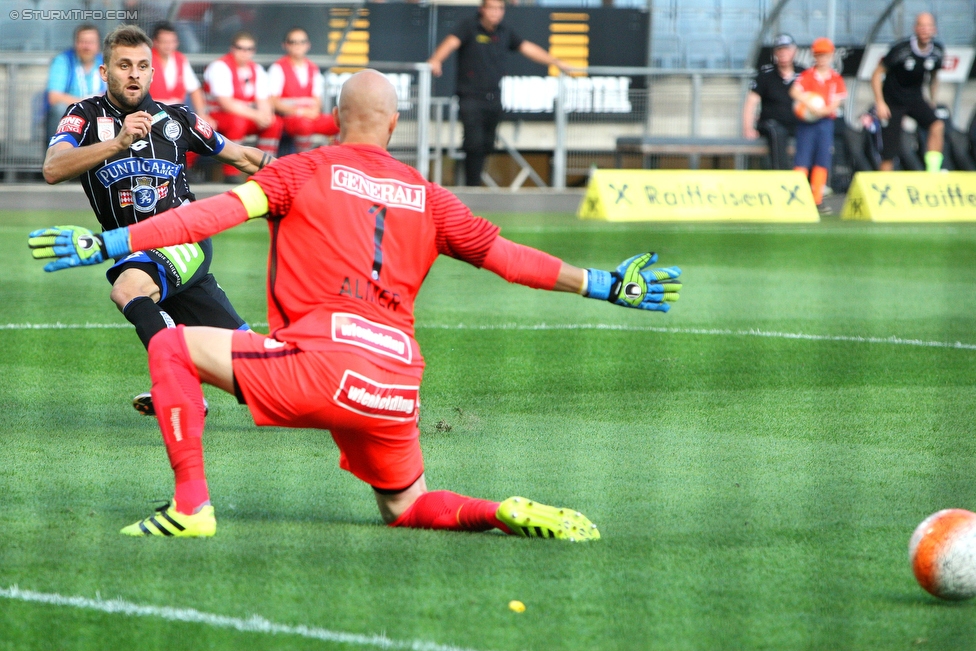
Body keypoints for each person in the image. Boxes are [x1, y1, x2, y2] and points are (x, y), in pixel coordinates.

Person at [29, 70, 682, 540]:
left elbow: (205, 216)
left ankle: (191, 507)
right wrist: (603, 283)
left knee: (170, 343)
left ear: (337, 121)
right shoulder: (430, 196)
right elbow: (507, 257)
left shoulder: (298, 171)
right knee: (405, 507)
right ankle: (499, 509)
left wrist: (107, 241)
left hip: (316, 367)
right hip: (395, 388)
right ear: (396, 125)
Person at [42, 25, 273, 415]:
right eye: (124, 65)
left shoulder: (177, 118)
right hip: (136, 251)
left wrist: (305, 178)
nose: (134, 74)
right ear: (105, 72)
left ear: (152, 73)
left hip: (185, 239)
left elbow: (242, 157)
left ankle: (180, 385)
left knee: (128, 289)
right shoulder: (82, 116)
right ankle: (350, 390)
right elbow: (52, 168)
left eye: (142, 66)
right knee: (259, 372)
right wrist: (116, 143)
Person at [427, 0, 572, 186]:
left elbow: (527, 48)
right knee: (474, 143)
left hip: (494, 97)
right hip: (470, 96)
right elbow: (450, 42)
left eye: (500, 8)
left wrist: (556, 62)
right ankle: (471, 186)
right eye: (492, 8)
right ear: (482, 9)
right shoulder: (469, 27)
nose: (496, 12)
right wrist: (436, 59)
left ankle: (472, 178)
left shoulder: (505, 31)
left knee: (487, 144)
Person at [871, 12, 945, 172]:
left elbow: (934, 76)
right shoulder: (901, 49)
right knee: (890, 152)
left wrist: (932, 100)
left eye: (928, 27)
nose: (925, 30)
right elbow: (876, 75)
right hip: (893, 102)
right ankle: (882, 187)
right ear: (915, 28)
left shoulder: (937, 51)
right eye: (922, 26)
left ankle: (933, 172)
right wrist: (880, 102)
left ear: (934, 29)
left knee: (937, 125)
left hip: (915, 99)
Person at [204, 31, 283, 182]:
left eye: (249, 49)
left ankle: (266, 169)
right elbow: (226, 103)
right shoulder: (220, 66)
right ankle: (231, 172)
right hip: (219, 115)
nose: (244, 52)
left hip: (245, 115)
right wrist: (256, 115)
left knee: (274, 122)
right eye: (240, 48)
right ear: (232, 48)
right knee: (237, 122)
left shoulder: (256, 69)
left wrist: (265, 115)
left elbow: (263, 99)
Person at [790, 37, 846, 214]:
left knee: (822, 159)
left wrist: (824, 110)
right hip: (807, 123)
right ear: (814, 56)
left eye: (825, 55)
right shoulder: (807, 76)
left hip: (825, 122)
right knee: (802, 159)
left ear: (831, 56)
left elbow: (837, 102)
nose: (822, 58)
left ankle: (817, 199)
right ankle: (797, 197)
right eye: (819, 55)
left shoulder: (835, 78)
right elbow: (794, 92)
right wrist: (808, 103)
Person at [269, 27, 339, 153]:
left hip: (310, 116)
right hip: (289, 119)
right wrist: (301, 111)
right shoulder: (278, 68)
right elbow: (273, 102)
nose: (298, 46)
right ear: (285, 45)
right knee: (303, 125)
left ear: (308, 45)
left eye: (302, 42)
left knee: (340, 122)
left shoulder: (313, 68)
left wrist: (313, 110)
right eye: (293, 42)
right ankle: (304, 162)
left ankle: (337, 159)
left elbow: (317, 100)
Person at [742, 33, 804, 170]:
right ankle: (781, 176)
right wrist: (748, 128)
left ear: (794, 51)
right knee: (777, 132)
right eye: (780, 50)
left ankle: (818, 182)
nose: (783, 53)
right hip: (770, 123)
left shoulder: (803, 73)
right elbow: (751, 102)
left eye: (787, 49)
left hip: (796, 123)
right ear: (775, 53)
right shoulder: (765, 75)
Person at [46, 24, 107, 139]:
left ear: (98, 45)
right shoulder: (63, 60)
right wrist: (86, 104)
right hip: (72, 113)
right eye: (82, 42)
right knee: (58, 109)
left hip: (99, 114)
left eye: (91, 42)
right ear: (75, 43)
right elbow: (54, 97)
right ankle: (57, 152)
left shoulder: (105, 62)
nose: (86, 47)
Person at [150, 21, 211, 121]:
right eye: (164, 42)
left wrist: (202, 114)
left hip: (176, 112)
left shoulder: (180, 59)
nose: (168, 46)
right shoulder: (147, 59)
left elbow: (194, 89)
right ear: (155, 42)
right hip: (152, 112)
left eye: (172, 42)